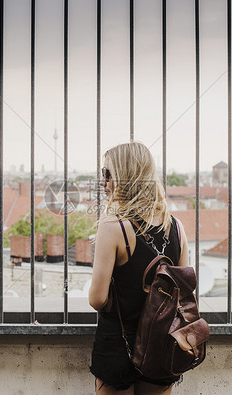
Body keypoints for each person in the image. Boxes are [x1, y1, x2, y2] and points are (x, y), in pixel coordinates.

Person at [88, 142, 189, 394]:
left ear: (124, 177)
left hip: (117, 343)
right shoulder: (176, 227)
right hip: (161, 343)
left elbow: (97, 299)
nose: (103, 182)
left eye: (107, 174)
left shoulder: (114, 227)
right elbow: (183, 291)